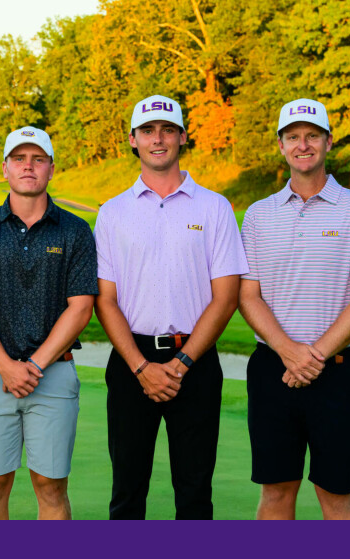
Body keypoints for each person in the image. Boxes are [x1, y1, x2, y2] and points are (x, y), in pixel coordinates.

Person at [94, 95, 248, 520]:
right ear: (133, 140)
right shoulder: (112, 212)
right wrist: (143, 367)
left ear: (182, 137)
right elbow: (105, 300)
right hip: (131, 363)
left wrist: (179, 364)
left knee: (195, 492)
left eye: (166, 130)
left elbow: (227, 296)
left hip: (194, 363)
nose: (157, 139)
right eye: (147, 131)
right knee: (127, 491)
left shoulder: (215, 207)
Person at [238, 99, 350, 520]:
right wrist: (289, 351)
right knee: (276, 491)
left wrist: (312, 356)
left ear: (328, 141)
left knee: (335, 493)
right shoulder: (257, 215)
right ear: (281, 146)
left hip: (338, 374)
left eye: (312, 136)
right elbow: (248, 296)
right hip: (273, 371)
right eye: (293, 137)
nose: (302, 145)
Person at [0, 127, 96, 520]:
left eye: (38, 159)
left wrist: (33, 367)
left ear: (52, 168)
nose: (28, 166)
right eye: (19, 159)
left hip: (54, 374)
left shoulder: (75, 230)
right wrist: (6, 365)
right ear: (5, 168)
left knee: (51, 487)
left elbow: (81, 307)